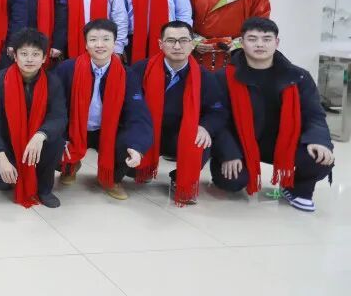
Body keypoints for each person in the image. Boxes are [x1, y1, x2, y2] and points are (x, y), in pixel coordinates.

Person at [211, 18, 335, 212]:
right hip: (240, 143)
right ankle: (230, 165)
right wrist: (229, 153)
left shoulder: (298, 77)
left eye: (267, 39)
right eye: (252, 39)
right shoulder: (224, 77)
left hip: (283, 143)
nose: (260, 44)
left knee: (319, 157)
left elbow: (314, 115)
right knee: (232, 181)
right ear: (242, 42)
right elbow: (218, 120)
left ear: (277, 42)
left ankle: (296, 188)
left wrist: (319, 140)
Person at [128, 21, 228, 205]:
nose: (177, 46)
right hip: (146, 131)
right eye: (171, 40)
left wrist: (205, 127)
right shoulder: (141, 69)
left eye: (183, 40)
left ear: (192, 44)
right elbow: (127, 104)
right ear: (160, 44)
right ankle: (143, 168)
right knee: (130, 168)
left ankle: (181, 178)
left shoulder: (204, 77)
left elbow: (218, 111)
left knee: (200, 139)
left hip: (180, 134)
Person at [56, 19, 153, 200]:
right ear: (86, 44)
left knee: (129, 144)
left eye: (106, 39)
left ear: (115, 43)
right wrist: (59, 136)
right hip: (74, 128)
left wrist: (137, 146)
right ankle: (69, 166)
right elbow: (54, 107)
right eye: (93, 39)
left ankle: (112, 179)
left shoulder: (127, 74)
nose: (99, 45)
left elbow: (138, 113)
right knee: (52, 141)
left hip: (108, 130)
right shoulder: (67, 69)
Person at [0, 29, 67, 208]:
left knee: (56, 140)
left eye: (35, 54)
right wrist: (1, 158)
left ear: (44, 58)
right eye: (24, 54)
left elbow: (59, 117)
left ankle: (44, 188)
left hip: (36, 145)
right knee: (3, 183)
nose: (29, 59)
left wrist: (41, 135)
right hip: (7, 145)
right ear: (15, 56)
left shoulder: (52, 82)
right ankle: (10, 170)